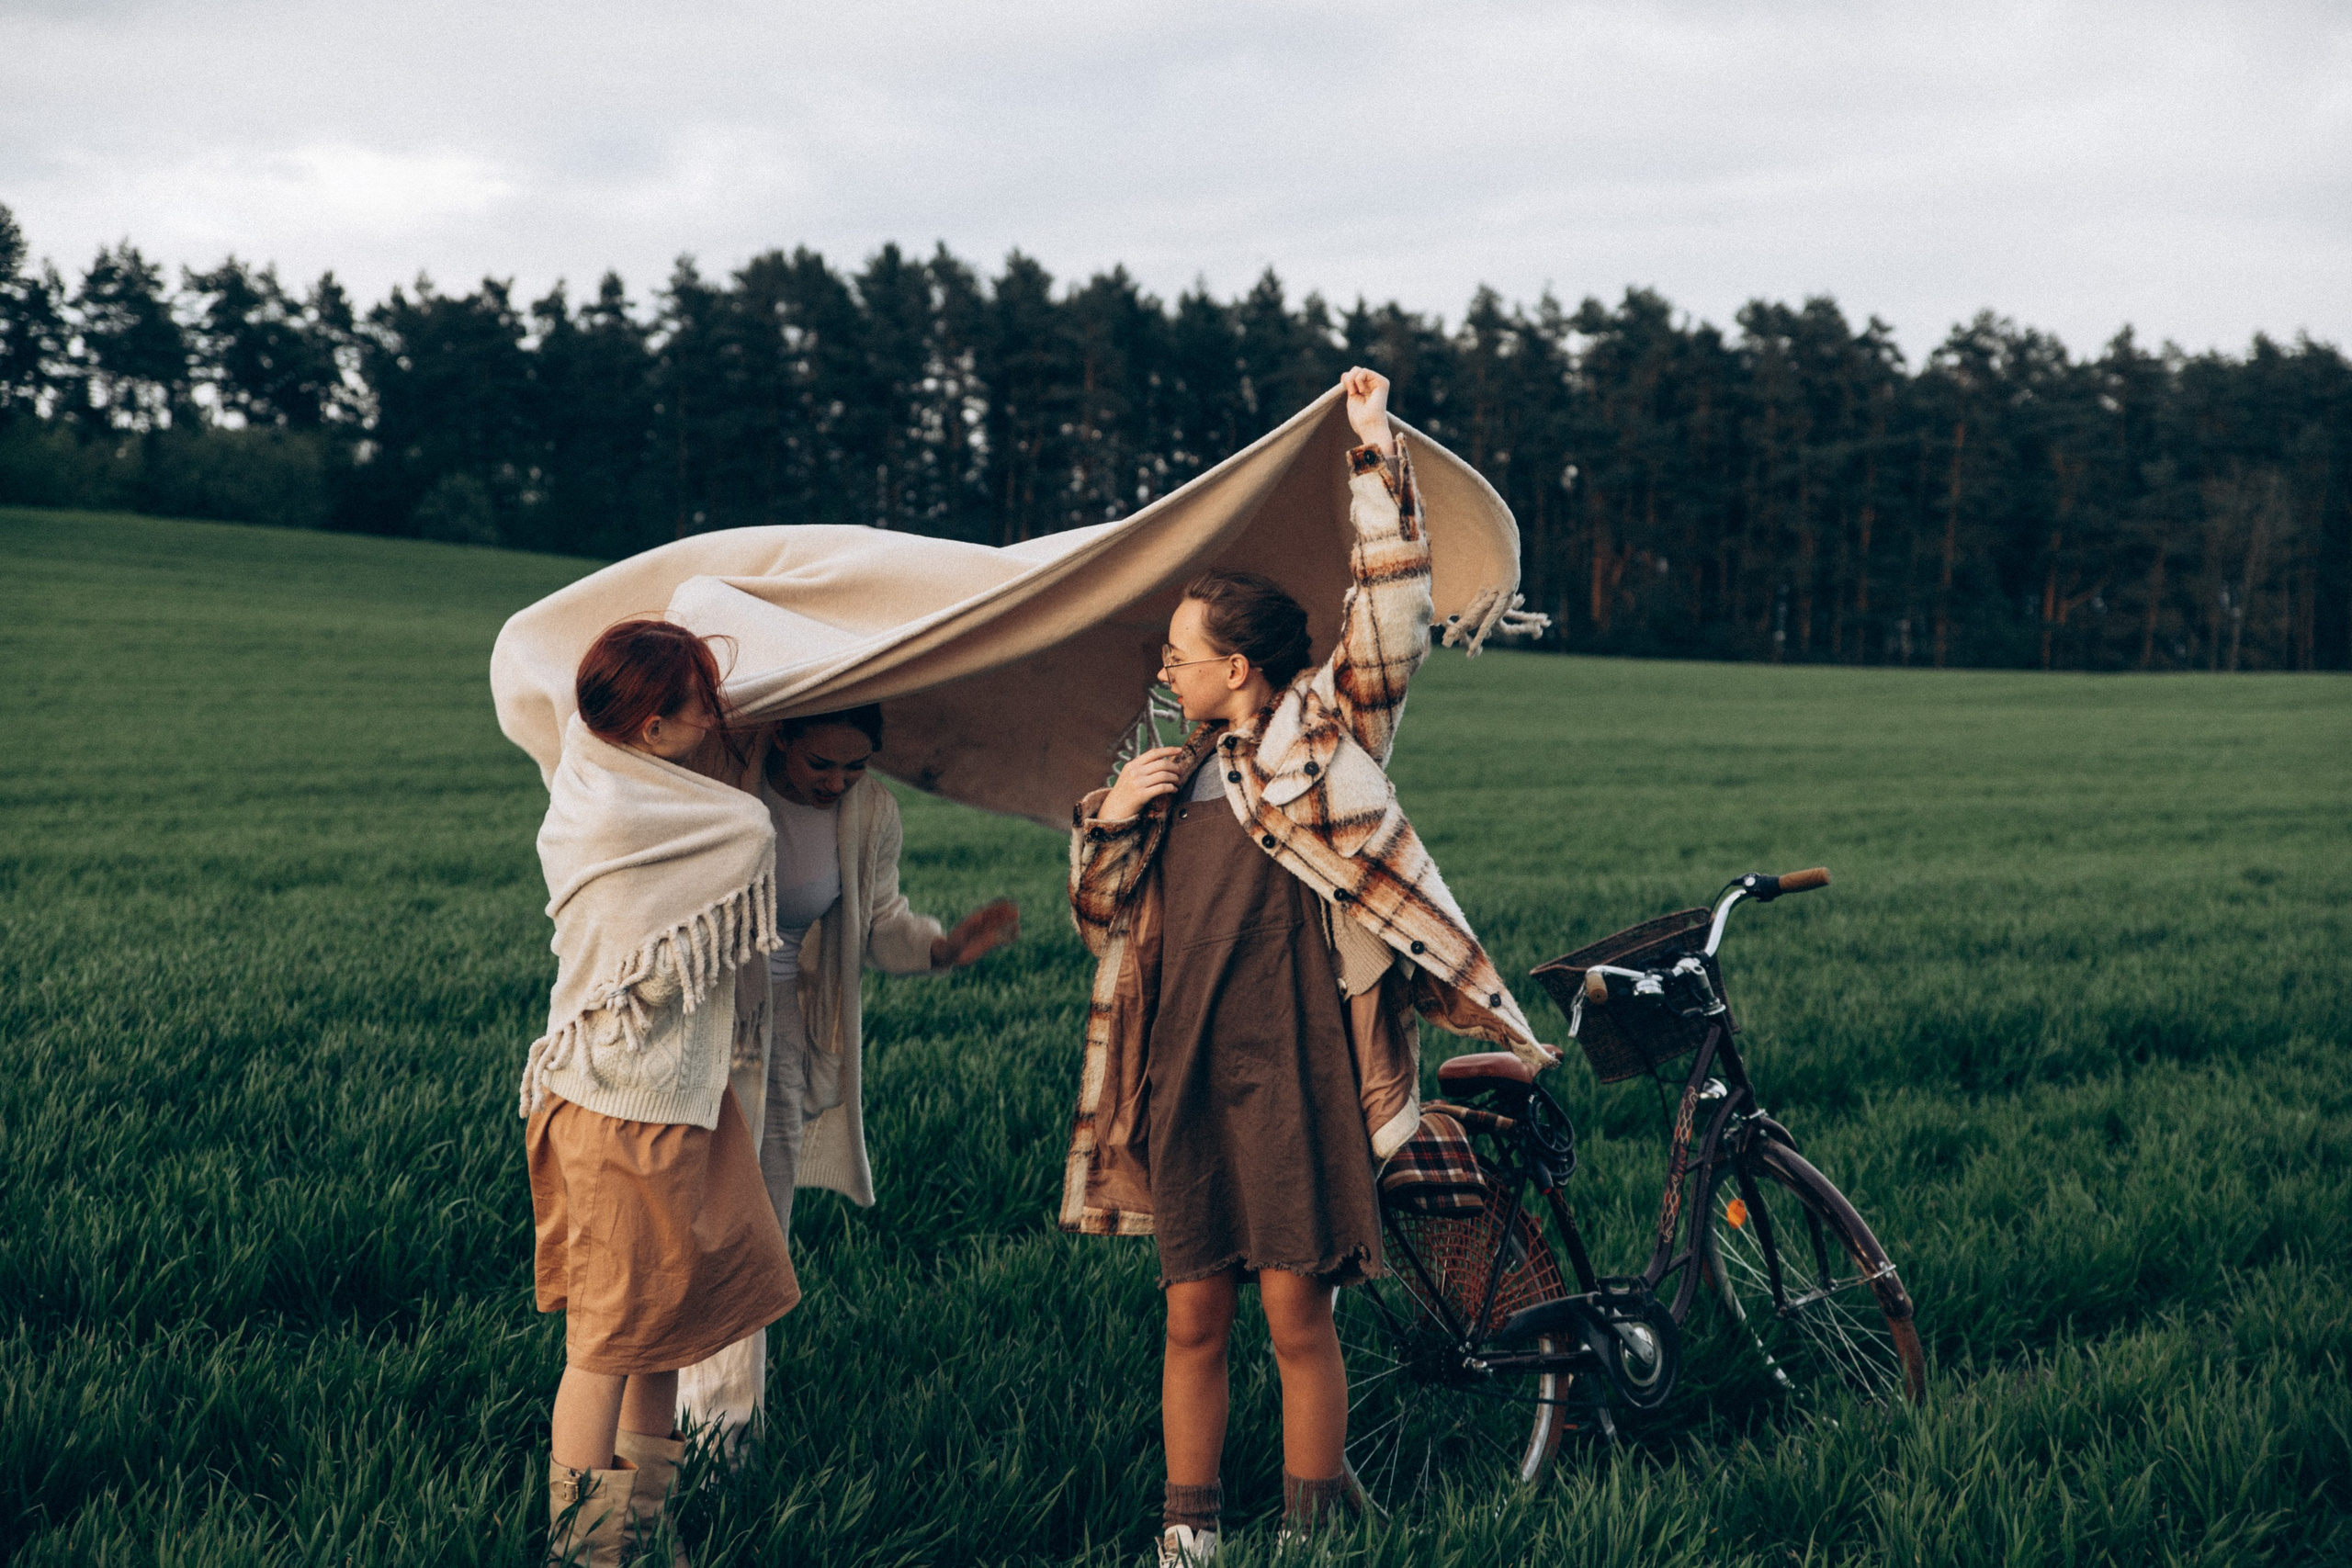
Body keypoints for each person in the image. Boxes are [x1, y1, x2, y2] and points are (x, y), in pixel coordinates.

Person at [1063, 367, 1555, 1564]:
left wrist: (1372, 446)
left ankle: (1309, 1535)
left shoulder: (1324, 741)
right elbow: (1098, 921)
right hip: (1183, 1072)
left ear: (1238, 667)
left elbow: (1391, 605)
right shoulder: (1161, 778)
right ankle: (1191, 1542)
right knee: (1191, 1314)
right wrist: (1114, 816)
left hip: (1302, 1071)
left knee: (1295, 1313)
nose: (1164, 673)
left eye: (1180, 654)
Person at [523, 618, 797, 1567]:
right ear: (647, 728)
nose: (719, 720)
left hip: (677, 1101)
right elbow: (743, 835)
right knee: (604, 1345)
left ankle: (646, 1527)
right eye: (701, 706)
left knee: (665, 1328)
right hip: (613, 1107)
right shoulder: (638, 817)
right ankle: (588, 1553)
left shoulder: (596, 760)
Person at [675, 705, 1019, 1450]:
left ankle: (722, 1435)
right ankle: (650, 1410)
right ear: (781, 738)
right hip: (692, 1025)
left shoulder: (872, 813)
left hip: (782, 1037)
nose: (837, 781)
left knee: (753, 1232)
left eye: (855, 766)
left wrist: (938, 947)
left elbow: (879, 919)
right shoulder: (718, 781)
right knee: (679, 1226)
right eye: (820, 763)